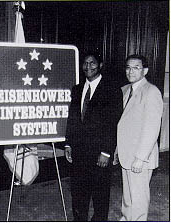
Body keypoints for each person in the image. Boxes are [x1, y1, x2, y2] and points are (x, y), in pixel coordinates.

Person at [64, 52, 123, 221]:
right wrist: (68, 144)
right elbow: (72, 119)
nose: (88, 66)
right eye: (85, 63)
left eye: (92, 63)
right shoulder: (77, 89)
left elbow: (113, 123)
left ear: (101, 65)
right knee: (78, 193)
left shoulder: (112, 89)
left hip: (99, 153)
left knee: (100, 195)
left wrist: (106, 152)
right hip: (78, 152)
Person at [114, 54, 163, 221]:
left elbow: (152, 127)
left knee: (139, 196)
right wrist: (116, 150)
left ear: (145, 70)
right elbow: (121, 124)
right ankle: (127, 218)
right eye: (128, 67)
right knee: (128, 194)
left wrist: (140, 158)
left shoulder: (151, 91)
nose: (131, 71)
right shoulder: (124, 90)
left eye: (136, 67)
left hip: (140, 156)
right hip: (125, 152)